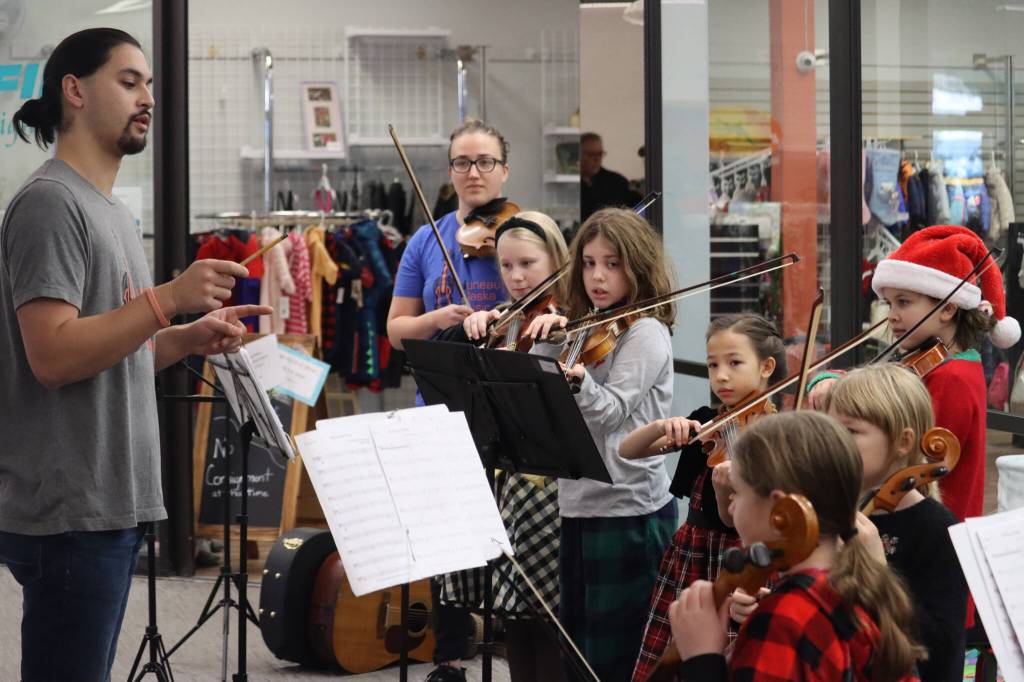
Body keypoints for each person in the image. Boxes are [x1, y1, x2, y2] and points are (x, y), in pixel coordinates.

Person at [0, 28, 270, 682]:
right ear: (74, 90)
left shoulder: (111, 213)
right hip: (71, 513)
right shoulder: (50, 204)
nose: (147, 96)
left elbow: (114, 355)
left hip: (113, 503)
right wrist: (166, 300)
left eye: (148, 83)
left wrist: (185, 337)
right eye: (129, 81)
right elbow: (54, 357)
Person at [526, 207, 677, 682]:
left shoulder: (646, 332)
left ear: (637, 266)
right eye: (588, 263)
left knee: (617, 657)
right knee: (580, 648)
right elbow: (539, 395)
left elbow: (611, 412)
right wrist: (546, 344)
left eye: (612, 264)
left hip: (629, 510)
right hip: (579, 503)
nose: (597, 276)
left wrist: (579, 384)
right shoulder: (586, 323)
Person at [386, 119, 510, 682]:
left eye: (485, 162)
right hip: (436, 403)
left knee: (499, 526)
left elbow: (553, 307)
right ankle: (451, 650)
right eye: (463, 162)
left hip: (506, 400)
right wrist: (436, 320)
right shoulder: (425, 241)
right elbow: (395, 330)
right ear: (450, 172)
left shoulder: (523, 233)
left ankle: (507, 633)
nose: (474, 172)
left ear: (504, 171)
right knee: (443, 533)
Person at [668, 411, 923, 681]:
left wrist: (702, 658)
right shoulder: (858, 591)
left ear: (782, 511)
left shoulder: (784, 619)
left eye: (739, 493)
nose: (731, 505)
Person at [806, 225, 1020, 522]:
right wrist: (827, 379)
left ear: (947, 308)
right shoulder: (933, 363)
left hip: (934, 530)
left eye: (904, 302)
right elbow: (874, 388)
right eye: (889, 303)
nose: (892, 314)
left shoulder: (951, 377)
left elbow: (905, 456)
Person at [623, 314, 788, 682]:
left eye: (734, 363)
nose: (721, 376)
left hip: (740, 563)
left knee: (723, 659)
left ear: (767, 367)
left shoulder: (777, 433)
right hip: (690, 556)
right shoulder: (707, 423)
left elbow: (733, 520)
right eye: (713, 365)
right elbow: (627, 451)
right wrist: (660, 427)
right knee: (665, 661)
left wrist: (724, 484)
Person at [451, 211, 569, 682]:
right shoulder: (507, 320)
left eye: (528, 264)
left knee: (549, 615)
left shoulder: (567, 321)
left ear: (557, 260)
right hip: (509, 482)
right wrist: (474, 333)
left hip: (552, 487)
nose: (516, 277)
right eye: (506, 266)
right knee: (513, 612)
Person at [826, 364, 967, 682]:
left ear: (903, 442)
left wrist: (878, 570)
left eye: (850, 431)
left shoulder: (938, 529)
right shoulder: (832, 509)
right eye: (830, 430)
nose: (833, 443)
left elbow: (940, 647)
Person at [580, 132, 641, 222]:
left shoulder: (617, 182)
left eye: (599, 154)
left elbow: (637, 210)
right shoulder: (569, 184)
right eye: (590, 154)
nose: (596, 159)